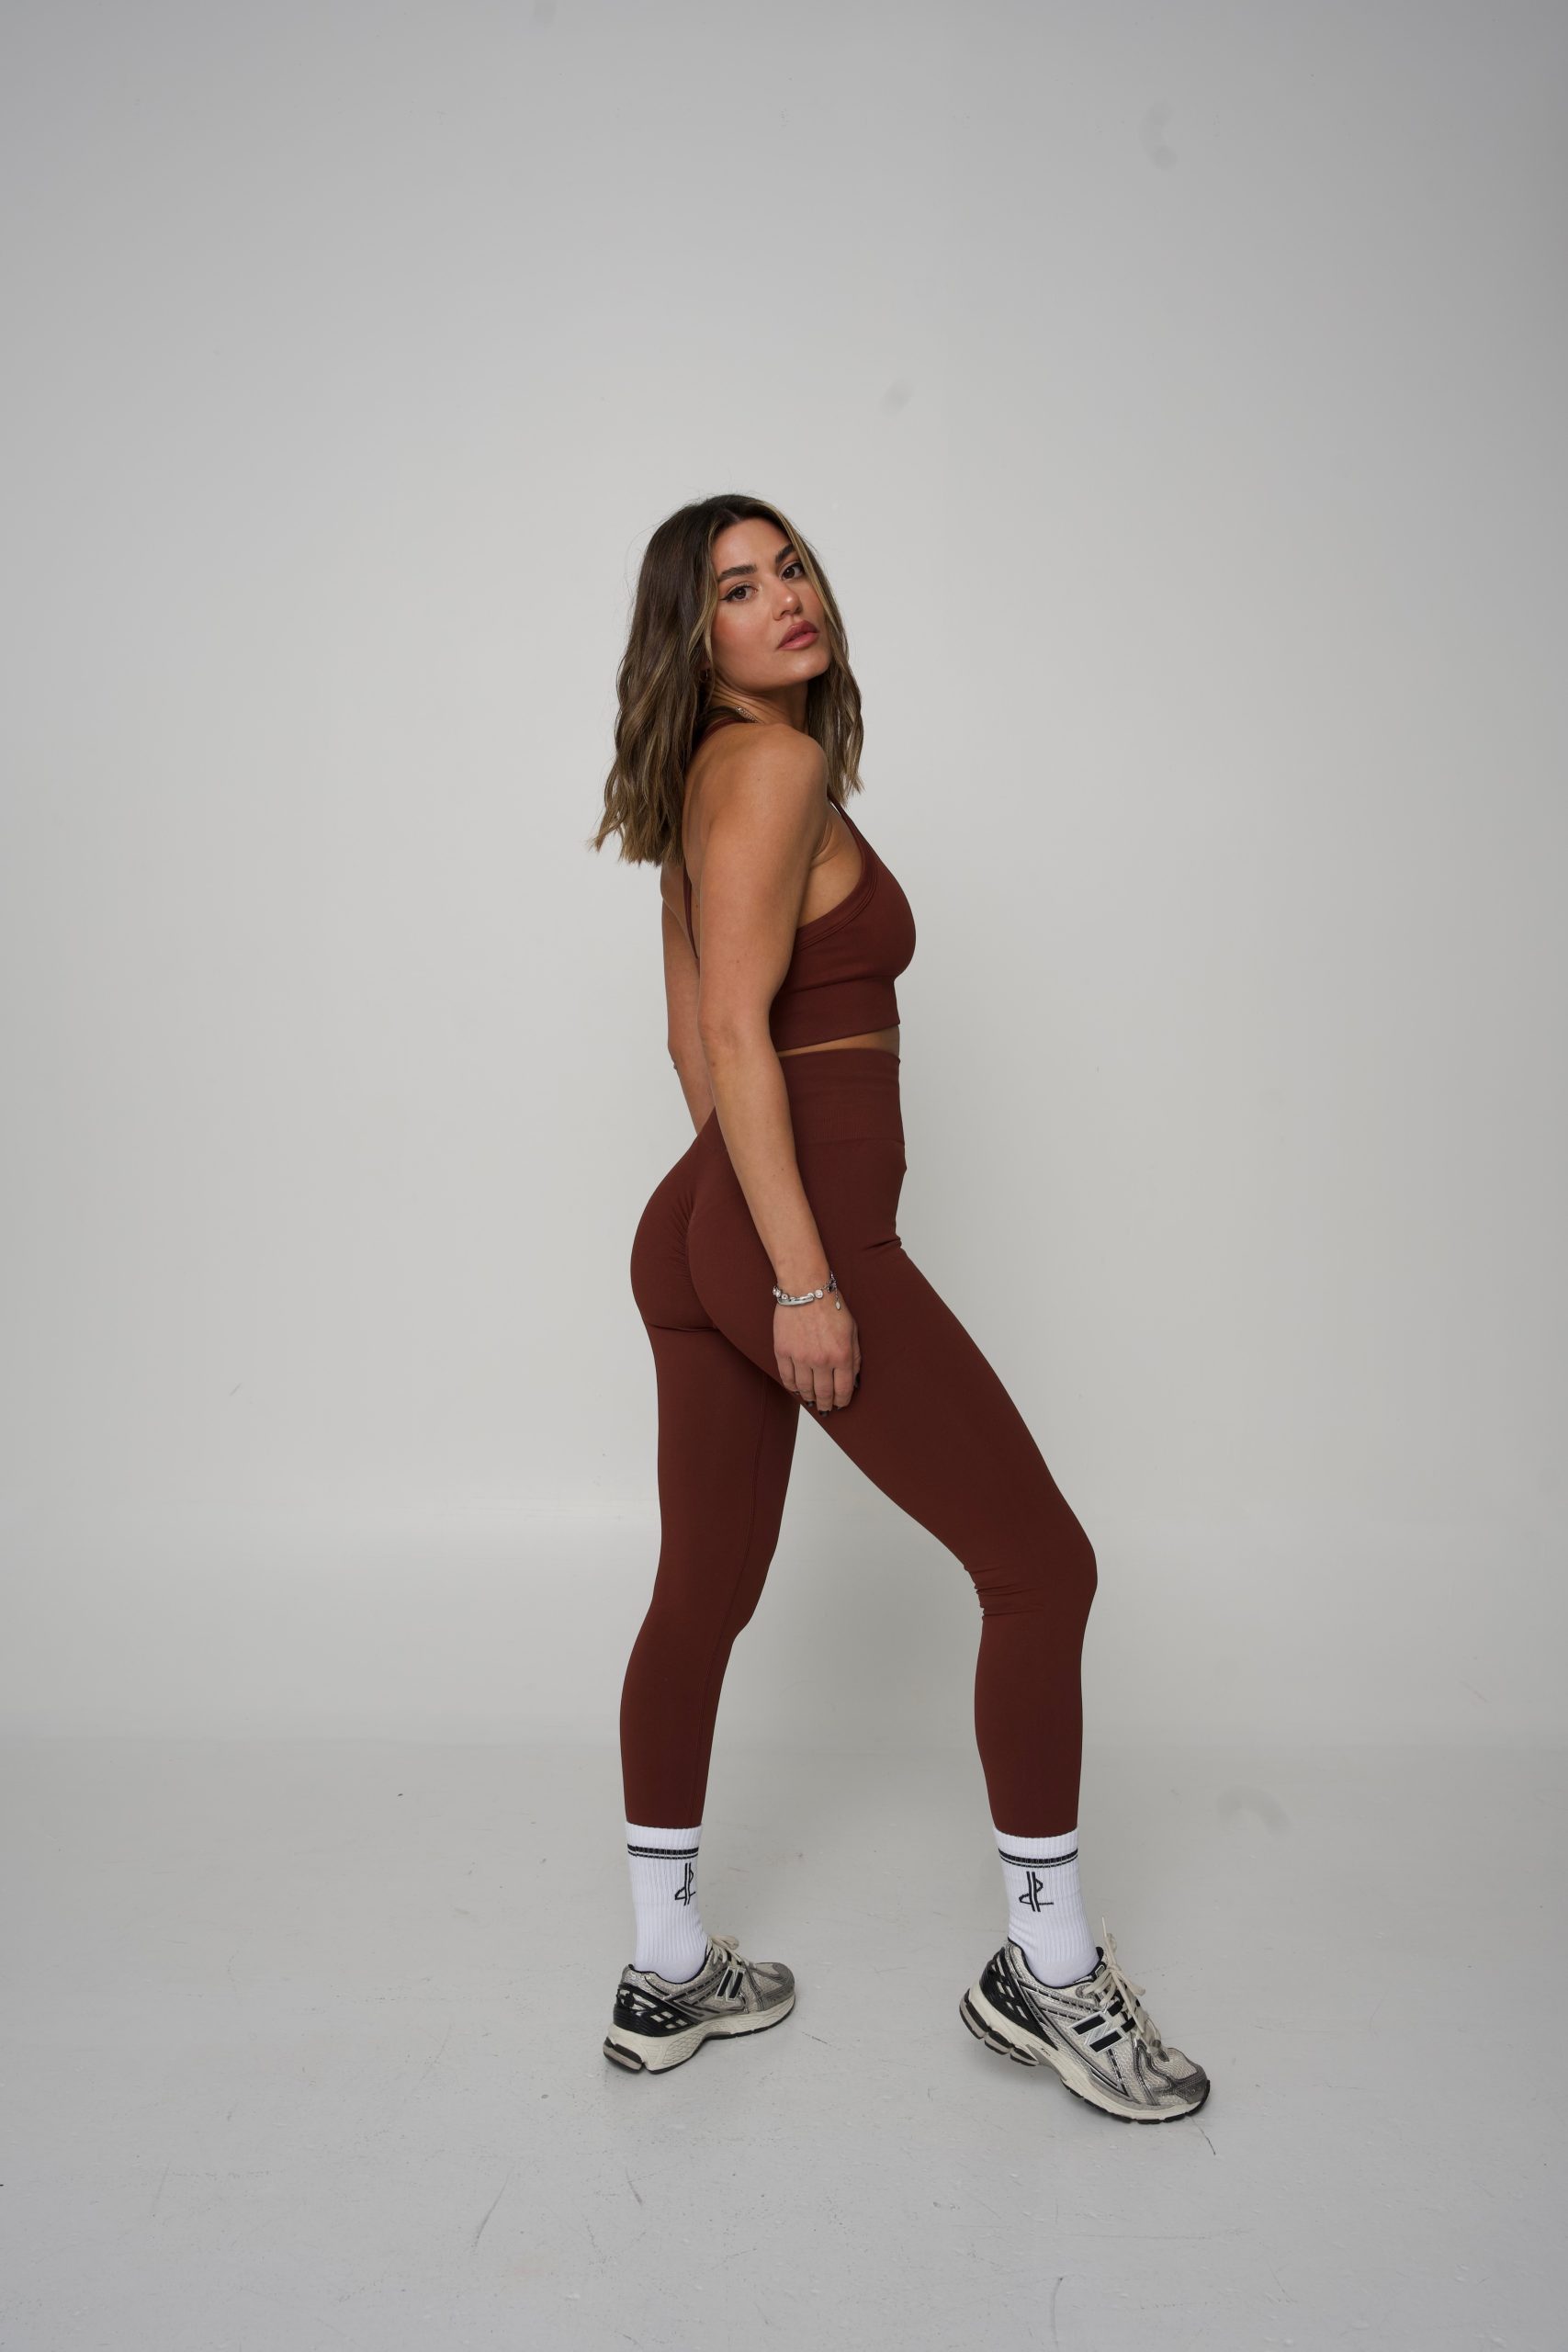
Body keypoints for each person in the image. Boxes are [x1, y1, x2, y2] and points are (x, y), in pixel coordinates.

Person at [590, 494, 1209, 2121]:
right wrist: (796, 1272)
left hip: (713, 1222)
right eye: (739, 587)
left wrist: (726, 1229)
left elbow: (691, 1043)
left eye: (790, 565)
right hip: (799, 1239)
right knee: (1044, 1568)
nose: (786, 596)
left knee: (701, 1593)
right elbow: (736, 1035)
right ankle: (1049, 1973)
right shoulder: (772, 767)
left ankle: (665, 1965)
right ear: (695, 636)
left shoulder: (702, 776)